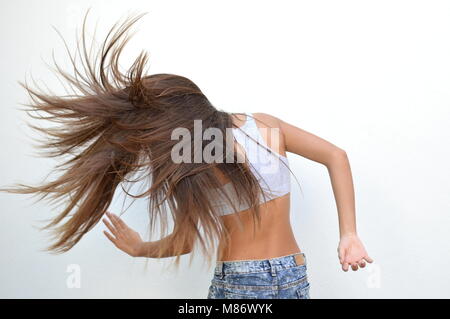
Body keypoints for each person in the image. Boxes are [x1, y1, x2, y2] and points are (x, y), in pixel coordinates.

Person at [0, 13, 372, 299]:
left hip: (240, 283)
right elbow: (336, 156)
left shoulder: (194, 161)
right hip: (294, 273)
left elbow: (186, 243)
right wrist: (349, 234)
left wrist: (141, 248)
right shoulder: (264, 125)